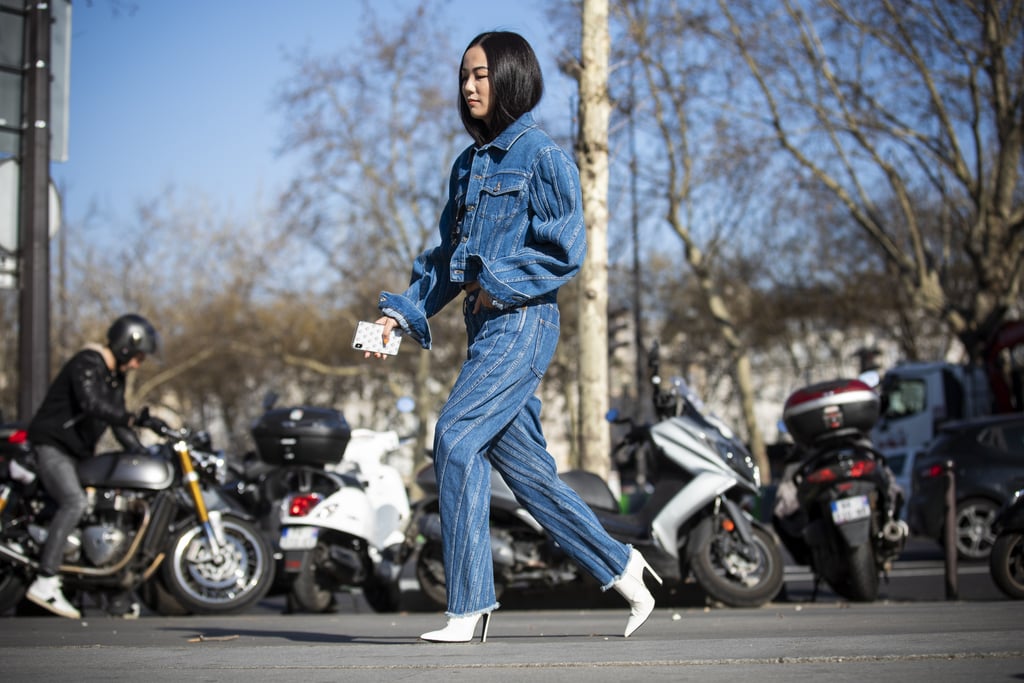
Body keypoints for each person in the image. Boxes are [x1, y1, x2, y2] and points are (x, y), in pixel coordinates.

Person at [366, 31, 661, 643]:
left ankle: (468, 605)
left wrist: (498, 285)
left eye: (481, 75)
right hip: (485, 330)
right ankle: (624, 567)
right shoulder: (467, 167)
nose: (469, 86)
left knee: (453, 437)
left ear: (512, 79)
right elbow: (449, 256)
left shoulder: (542, 156)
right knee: (529, 476)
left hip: (523, 323)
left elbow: (564, 248)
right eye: (464, 77)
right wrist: (400, 313)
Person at [24, 313, 159, 618]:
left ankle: (110, 597)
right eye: (137, 356)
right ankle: (45, 581)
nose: (138, 363)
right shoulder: (88, 362)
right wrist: (131, 418)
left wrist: (141, 449)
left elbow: (117, 417)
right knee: (74, 502)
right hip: (52, 445)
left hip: (77, 453)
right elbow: (92, 403)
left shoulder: (114, 376)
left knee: (101, 507)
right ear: (126, 346)